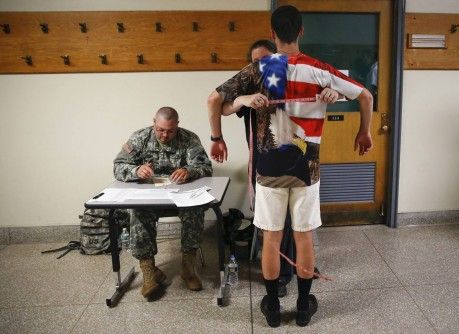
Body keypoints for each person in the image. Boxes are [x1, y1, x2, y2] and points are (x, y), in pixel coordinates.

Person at [211, 5, 373, 327]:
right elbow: (366, 96)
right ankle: (302, 307)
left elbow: (213, 100)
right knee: (303, 239)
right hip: (306, 171)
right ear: (301, 31)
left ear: (273, 34)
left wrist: (216, 137)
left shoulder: (262, 69)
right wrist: (363, 131)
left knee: (271, 239)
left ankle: (271, 307)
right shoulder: (320, 70)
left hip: (269, 172)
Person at [207, 40, 339, 298]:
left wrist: (330, 93)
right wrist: (244, 99)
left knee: (298, 228)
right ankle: (276, 276)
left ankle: (295, 271)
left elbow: (329, 93)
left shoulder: (295, 78)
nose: (265, 67)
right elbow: (222, 105)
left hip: (297, 162)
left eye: (269, 61)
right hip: (263, 164)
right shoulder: (252, 85)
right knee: (271, 228)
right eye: (257, 64)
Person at [113, 106, 212, 298]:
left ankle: (188, 267)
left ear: (177, 126)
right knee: (137, 212)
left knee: (194, 210)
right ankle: (149, 271)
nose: (165, 135)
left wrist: (189, 171)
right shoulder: (139, 138)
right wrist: (136, 171)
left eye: (170, 130)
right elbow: (118, 166)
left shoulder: (189, 138)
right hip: (149, 197)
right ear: (154, 123)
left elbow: (205, 167)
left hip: (180, 195)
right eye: (160, 130)